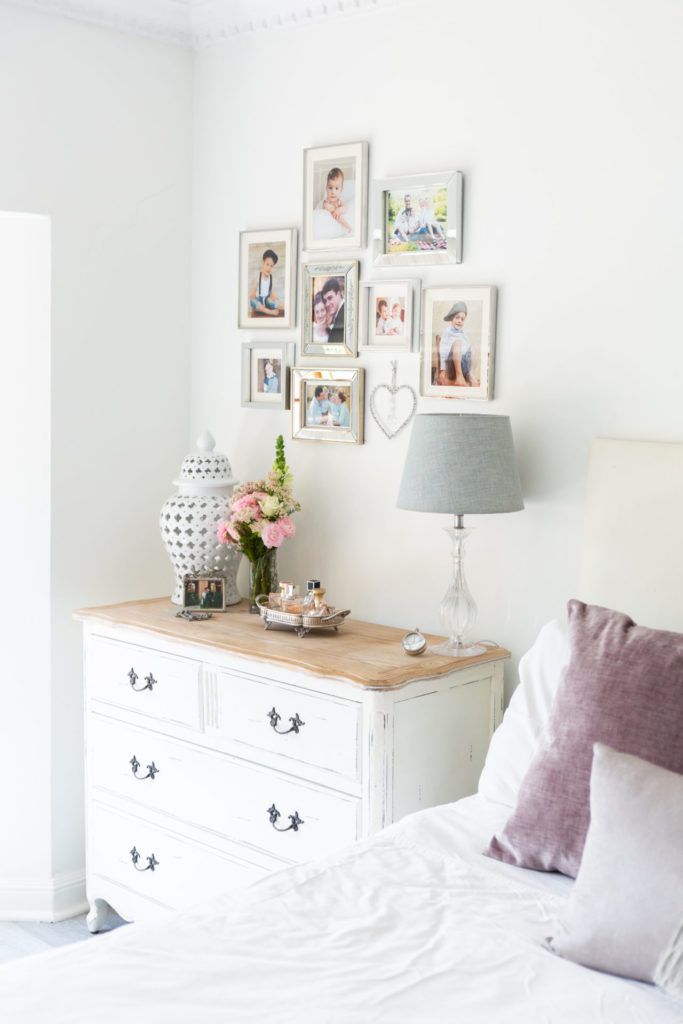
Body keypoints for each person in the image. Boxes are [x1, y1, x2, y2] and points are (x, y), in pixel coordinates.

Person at [438, 301, 479, 387]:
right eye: (457, 318)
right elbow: (443, 350)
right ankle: (459, 376)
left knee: (475, 346)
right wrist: (443, 369)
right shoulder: (447, 331)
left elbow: (465, 351)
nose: (459, 321)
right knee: (457, 343)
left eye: (462, 319)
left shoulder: (464, 334)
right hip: (451, 365)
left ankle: (470, 374)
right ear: (452, 319)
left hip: (463, 363)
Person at [315, 167, 352, 234]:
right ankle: (348, 228)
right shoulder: (326, 203)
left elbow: (345, 208)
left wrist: (340, 209)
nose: (333, 192)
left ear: (341, 190)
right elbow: (335, 214)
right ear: (326, 188)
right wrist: (346, 225)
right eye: (330, 188)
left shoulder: (340, 201)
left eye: (336, 188)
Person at [249, 249, 284, 316]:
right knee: (252, 302)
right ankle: (269, 311)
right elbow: (254, 287)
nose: (269, 268)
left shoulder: (271, 278)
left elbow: (272, 291)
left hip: (267, 299)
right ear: (263, 263)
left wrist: (273, 295)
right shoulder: (259, 275)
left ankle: (286, 307)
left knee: (274, 301)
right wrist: (253, 292)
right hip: (259, 299)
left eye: (271, 266)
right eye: (267, 264)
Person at [322, 277, 345, 345]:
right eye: (325, 300)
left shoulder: (345, 314)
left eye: (330, 298)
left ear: (338, 294)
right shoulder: (336, 316)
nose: (327, 304)